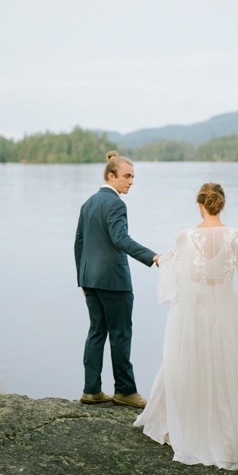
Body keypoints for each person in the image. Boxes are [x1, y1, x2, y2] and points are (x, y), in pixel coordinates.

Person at [133, 183, 238, 475]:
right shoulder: (236, 237)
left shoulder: (186, 237)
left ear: (199, 204)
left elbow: (173, 274)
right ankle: (228, 435)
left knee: (192, 368)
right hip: (226, 312)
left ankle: (192, 427)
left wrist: (161, 259)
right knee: (226, 371)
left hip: (194, 315)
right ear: (221, 205)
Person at [75, 151, 159, 408]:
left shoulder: (89, 203)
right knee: (120, 334)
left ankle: (92, 390)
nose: (131, 181)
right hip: (113, 280)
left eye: (132, 176)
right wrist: (152, 256)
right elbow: (120, 239)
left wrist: (82, 278)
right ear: (111, 176)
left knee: (96, 332)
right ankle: (124, 391)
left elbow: (79, 243)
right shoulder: (116, 204)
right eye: (126, 176)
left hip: (91, 279)